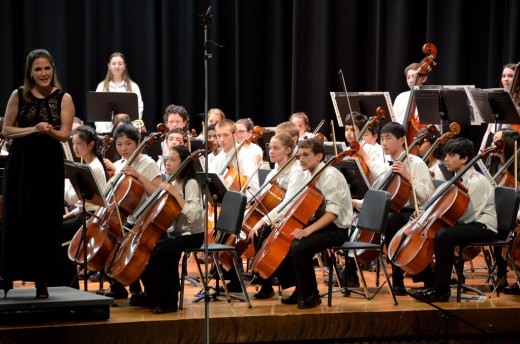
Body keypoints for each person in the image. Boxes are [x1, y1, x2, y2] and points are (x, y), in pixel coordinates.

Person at [1, 49, 74, 298]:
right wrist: (34, 128)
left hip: (48, 165)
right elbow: (7, 130)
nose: (43, 73)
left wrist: (48, 131)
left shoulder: (63, 98)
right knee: (17, 216)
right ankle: (8, 276)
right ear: (30, 73)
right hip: (21, 163)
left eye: (47, 68)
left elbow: (64, 134)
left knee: (44, 220)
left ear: (53, 69)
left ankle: (42, 281)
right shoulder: (18, 95)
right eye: (38, 69)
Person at [268, 138, 352, 309]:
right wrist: (284, 221)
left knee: (299, 246)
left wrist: (307, 231)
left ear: (319, 156)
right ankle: (300, 289)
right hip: (321, 224)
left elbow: (332, 213)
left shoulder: (329, 176)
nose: (301, 160)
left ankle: (311, 295)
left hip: (337, 229)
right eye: (299, 156)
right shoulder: (308, 174)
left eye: (306, 155)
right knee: (283, 238)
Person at [352, 122, 435, 295]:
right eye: (381, 138)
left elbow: (428, 197)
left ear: (402, 140)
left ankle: (398, 278)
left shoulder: (416, 163)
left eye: (388, 138)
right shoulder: (386, 166)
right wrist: (357, 204)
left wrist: (407, 176)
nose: (383, 143)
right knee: (353, 220)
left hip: (412, 213)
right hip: (390, 211)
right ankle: (350, 273)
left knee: (391, 221)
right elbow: (379, 196)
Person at [414, 137, 497, 302]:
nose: (445, 159)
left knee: (444, 235)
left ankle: (441, 291)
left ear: (464, 159)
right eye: (446, 155)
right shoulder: (457, 179)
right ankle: (430, 282)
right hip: (468, 223)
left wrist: (437, 219)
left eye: (451, 155)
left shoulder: (477, 182)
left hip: (483, 226)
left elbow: (467, 215)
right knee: (437, 233)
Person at [139, 145, 204, 313]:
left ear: (184, 163)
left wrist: (174, 193)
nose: (168, 163)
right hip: (175, 232)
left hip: (192, 234)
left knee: (160, 256)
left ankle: (168, 302)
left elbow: (193, 216)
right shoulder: (173, 180)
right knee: (148, 254)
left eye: (173, 160)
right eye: (167, 159)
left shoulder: (191, 184)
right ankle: (154, 297)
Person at [102, 123, 162, 300]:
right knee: (105, 243)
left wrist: (138, 176)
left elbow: (158, 193)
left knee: (125, 245)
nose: (123, 148)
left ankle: (135, 289)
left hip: (141, 217)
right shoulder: (118, 164)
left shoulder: (147, 163)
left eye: (128, 143)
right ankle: (117, 285)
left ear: (137, 143)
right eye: (119, 144)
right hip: (122, 216)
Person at [247, 133, 309, 299]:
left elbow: (288, 204)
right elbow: (264, 192)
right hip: (280, 217)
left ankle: (296, 284)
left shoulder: (296, 171)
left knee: (267, 236)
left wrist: (263, 220)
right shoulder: (277, 168)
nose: (271, 151)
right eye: (270, 148)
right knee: (259, 233)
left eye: (276, 148)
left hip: (296, 218)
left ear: (288, 150)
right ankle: (266, 284)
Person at [62, 125, 108, 288]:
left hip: (92, 219)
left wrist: (66, 177)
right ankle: (66, 285)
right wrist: (67, 216)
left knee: (57, 235)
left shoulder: (92, 167)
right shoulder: (88, 164)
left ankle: (69, 287)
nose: (75, 148)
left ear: (90, 145)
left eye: (79, 143)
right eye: (73, 144)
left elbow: (74, 198)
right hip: (86, 214)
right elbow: (82, 204)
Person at [485, 128, 520, 294]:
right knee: (496, 230)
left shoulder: (517, 169)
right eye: (493, 140)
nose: (493, 145)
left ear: (507, 144)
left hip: (516, 217)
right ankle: (501, 274)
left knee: (505, 233)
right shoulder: (492, 165)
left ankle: (506, 275)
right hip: (498, 215)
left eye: (497, 141)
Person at [209, 119, 259, 196]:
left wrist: (236, 205)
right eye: (218, 135)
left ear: (235, 134)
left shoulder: (246, 155)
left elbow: (253, 190)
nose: (221, 139)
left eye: (225, 135)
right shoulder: (217, 159)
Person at [479, 63, 520, 152]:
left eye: (510, 76)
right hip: (494, 137)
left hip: (510, 140)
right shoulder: (496, 96)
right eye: (504, 76)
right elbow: (489, 129)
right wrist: (481, 150)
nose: (506, 79)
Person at [96, 52, 144, 119]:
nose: (117, 66)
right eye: (113, 64)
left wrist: (130, 127)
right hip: (106, 129)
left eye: (120, 64)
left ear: (125, 66)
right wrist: (102, 129)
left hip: (127, 128)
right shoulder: (101, 86)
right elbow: (98, 110)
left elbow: (139, 108)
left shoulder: (134, 86)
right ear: (109, 66)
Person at [344, 112, 386, 184]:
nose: (348, 133)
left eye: (352, 130)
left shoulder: (374, 149)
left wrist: (364, 155)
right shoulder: (347, 150)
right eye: (346, 129)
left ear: (361, 132)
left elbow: (380, 176)